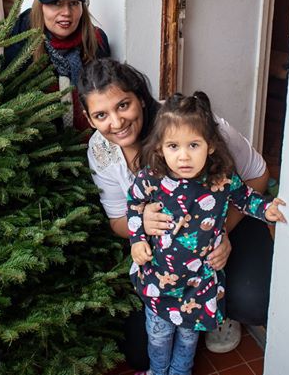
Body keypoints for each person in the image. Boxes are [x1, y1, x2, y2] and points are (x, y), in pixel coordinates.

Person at [78, 59, 275, 369]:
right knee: (142, 352)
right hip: (167, 260)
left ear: (140, 99)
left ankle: (221, 309)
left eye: (123, 105)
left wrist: (221, 231)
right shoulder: (100, 151)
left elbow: (258, 177)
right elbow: (118, 220)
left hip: (222, 224)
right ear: (90, 119)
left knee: (253, 300)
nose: (116, 122)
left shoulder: (192, 125)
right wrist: (140, 225)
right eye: (102, 115)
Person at [127, 92, 286, 375]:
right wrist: (138, 238)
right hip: (160, 282)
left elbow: (247, 198)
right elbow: (134, 205)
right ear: (161, 147)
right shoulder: (152, 177)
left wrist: (267, 209)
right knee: (158, 336)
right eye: (173, 146)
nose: (184, 156)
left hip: (199, 286)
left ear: (210, 146)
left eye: (193, 145)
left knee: (188, 340)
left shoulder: (221, 179)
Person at [4, 0, 110, 131]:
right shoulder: (20, 43)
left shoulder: (96, 41)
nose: (66, 13)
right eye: (56, 3)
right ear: (41, 8)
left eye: (74, 3)